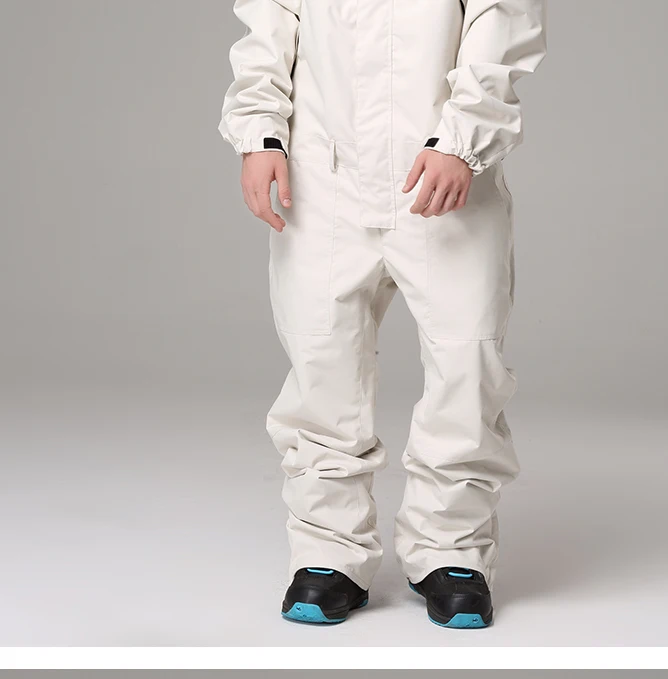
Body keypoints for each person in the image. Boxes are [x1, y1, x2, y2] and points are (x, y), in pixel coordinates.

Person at [219, 0, 546, 629]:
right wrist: (259, 133)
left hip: (444, 168)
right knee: (322, 364)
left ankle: (452, 551)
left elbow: (501, 18)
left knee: (467, 365)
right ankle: (328, 552)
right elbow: (270, 20)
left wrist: (462, 138)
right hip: (322, 175)